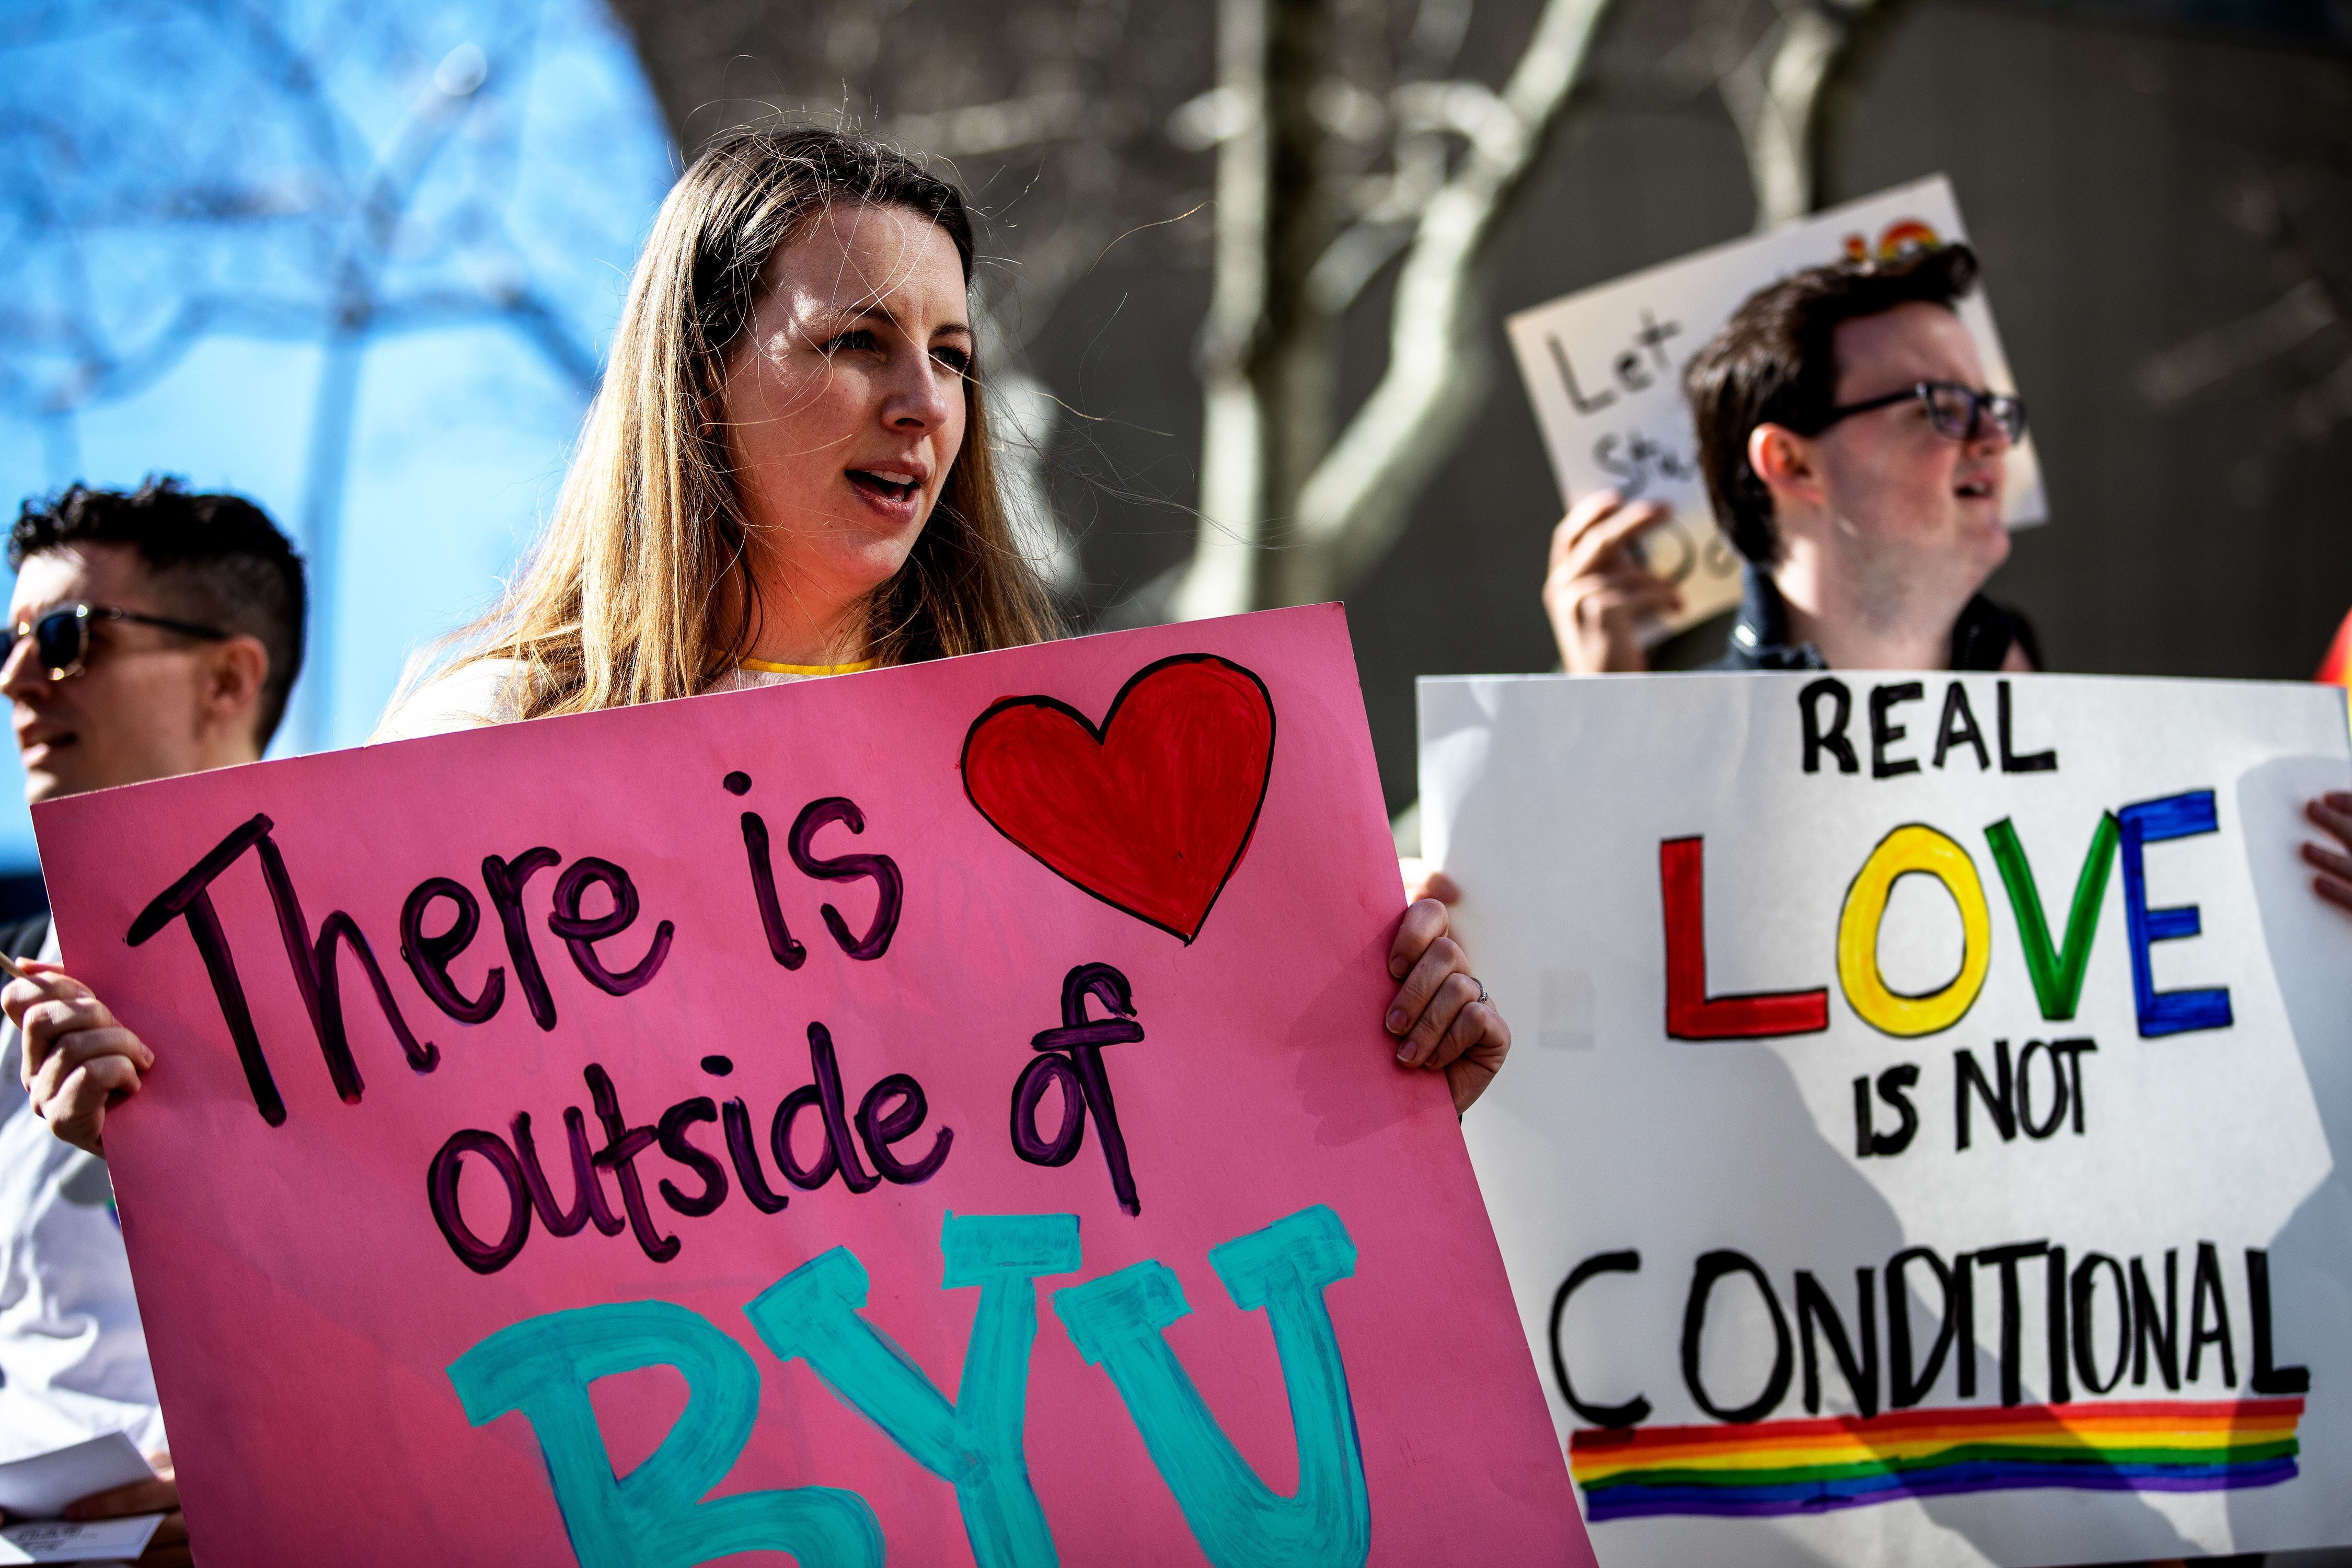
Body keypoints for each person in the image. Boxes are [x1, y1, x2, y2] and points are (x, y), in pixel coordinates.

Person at [16, 129, 1508, 1167]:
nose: (923, 403)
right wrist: (170, 1108)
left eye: (951, 355)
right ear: (700, 379)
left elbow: (1182, 1148)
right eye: (856, 341)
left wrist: (1386, 1046)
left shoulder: (1054, 786)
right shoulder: (493, 728)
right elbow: (366, 1167)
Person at [0, 476, 305, 1566]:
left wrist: (296, 1468)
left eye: (67, 636)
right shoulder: (9, 982)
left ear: (229, 674)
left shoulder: (405, 967)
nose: (18, 681)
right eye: (13, 641)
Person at [1543, 241, 2038, 675]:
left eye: (1991, 407)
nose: (1995, 436)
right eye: (1941, 408)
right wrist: (1606, 734)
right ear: (1791, 463)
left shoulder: (2056, 707)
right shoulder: (1665, 750)